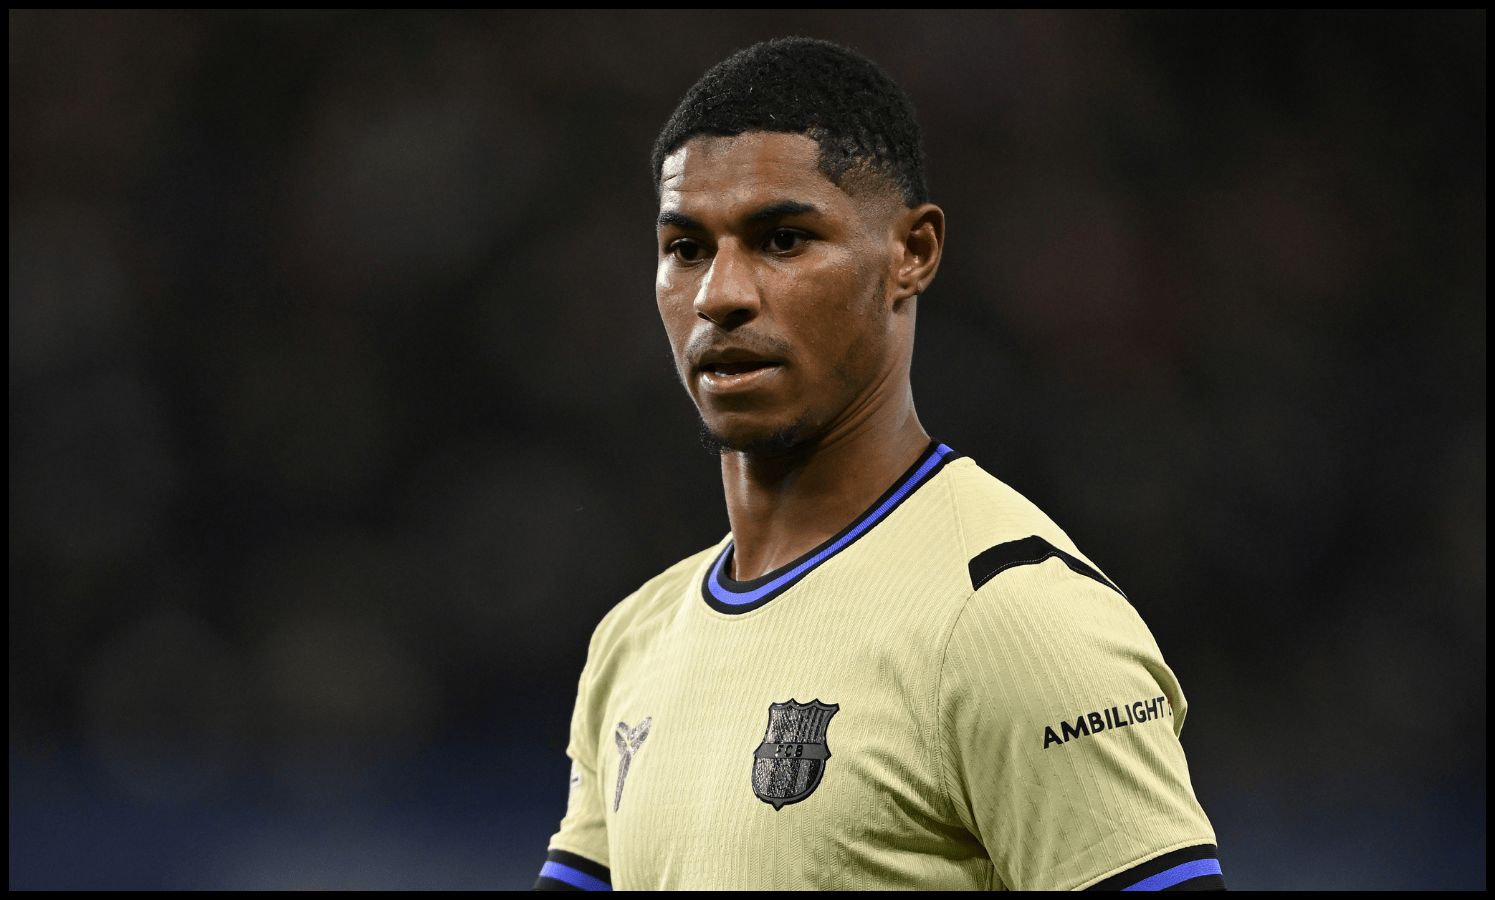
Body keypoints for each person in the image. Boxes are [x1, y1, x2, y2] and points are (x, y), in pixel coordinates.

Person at [532, 36, 1223, 891]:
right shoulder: (633, 639)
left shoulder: (1010, 621)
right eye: (685, 248)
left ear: (912, 253)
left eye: (782, 239)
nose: (719, 293)